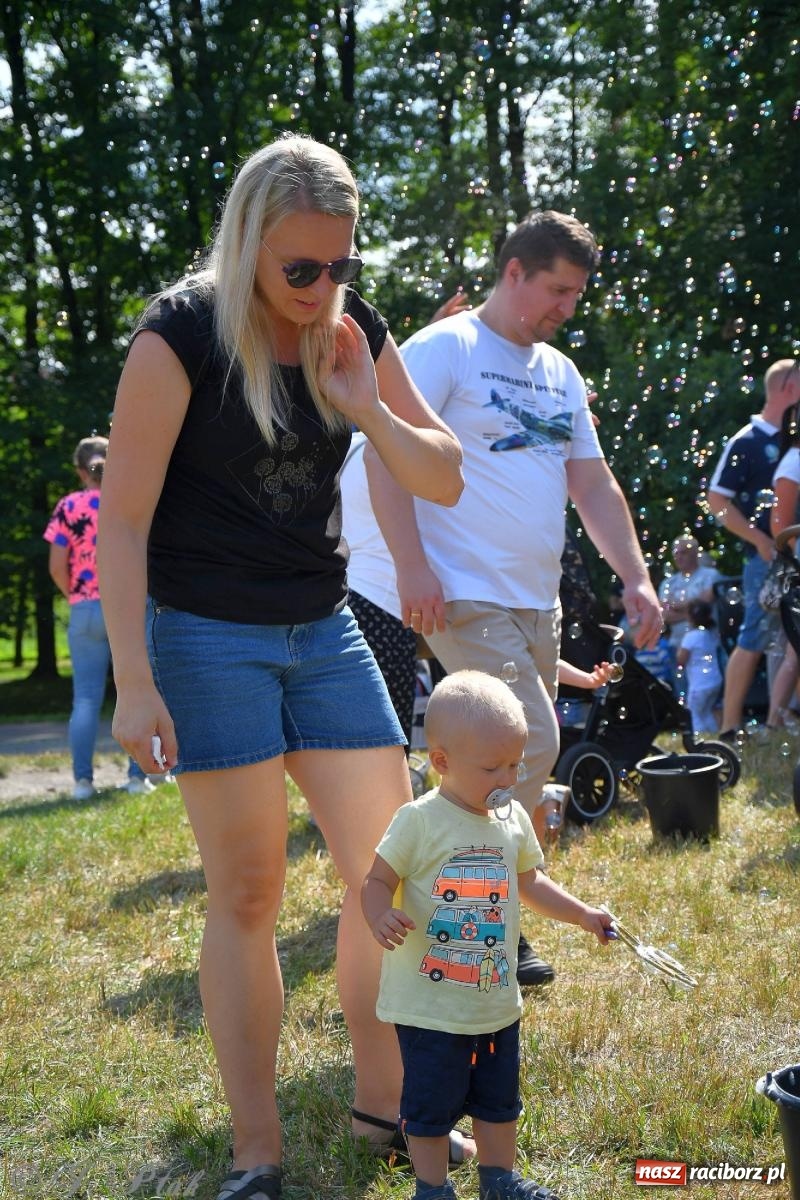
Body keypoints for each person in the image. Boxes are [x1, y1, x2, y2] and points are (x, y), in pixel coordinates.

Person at [96, 134, 470, 1200]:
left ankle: (382, 1102)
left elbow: (439, 476)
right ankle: (254, 1151)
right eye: (298, 269)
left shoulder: (350, 335)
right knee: (250, 893)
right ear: (248, 246)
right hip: (205, 635)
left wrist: (366, 406)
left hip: (325, 628)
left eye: (340, 266)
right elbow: (121, 524)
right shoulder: (176, 338)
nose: (322, 289)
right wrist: (134, 677)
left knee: (389, 874)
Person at [364, 210, 662, 986]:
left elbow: (591, 484)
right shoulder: (446, 347)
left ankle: (483, 914)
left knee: (499, 759)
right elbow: (385, 454)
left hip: (535, 600)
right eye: (558, 290)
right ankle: (474, 909)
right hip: (461, 590)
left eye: (577, 294)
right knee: (530, 741)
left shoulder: (561, 374)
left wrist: (634, 575)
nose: (568, 308)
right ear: (515, 272)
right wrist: (411, 565)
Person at [362, 670, 615, 1200]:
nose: (507, 776)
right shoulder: (419, 821)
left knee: (500, 1101)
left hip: (495, 999)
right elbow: (377, 880)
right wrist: (379, 913)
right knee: (429, 1105)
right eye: (492, 766)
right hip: (430, 1004)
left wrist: (584, 914)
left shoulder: (512, 817)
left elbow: (530, 883)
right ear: (442, 762)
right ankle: (431, 1187)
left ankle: (499, 1179)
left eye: (515, 764)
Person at [43, 436, 153, 800]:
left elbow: (57, 566)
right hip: (131, 608)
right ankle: (139, 777)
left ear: (79, 470)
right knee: (137, 690)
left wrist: (77, 597)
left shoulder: (68, 506)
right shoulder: (131, 500)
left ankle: (82, 783)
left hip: (85, 609)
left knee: (86, 700)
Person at [707, 358, 800, 737]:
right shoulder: (747, 440)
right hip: (767, 560)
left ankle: (779, 721)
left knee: (791, 640)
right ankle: (730, 727)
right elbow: (716, 499)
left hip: (790, 556)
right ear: (789, 389)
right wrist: (760, 539)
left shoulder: (788, 439)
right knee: (754, 638)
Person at [765, 391, 800, 729]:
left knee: (795, 651)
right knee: (794, 651)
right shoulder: (794, 462)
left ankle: (776, 721)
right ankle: (774, 721)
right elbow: (781, 526)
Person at [657, 535, 720, 692]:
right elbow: (663, 616)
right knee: (684, 693)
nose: (679, 557)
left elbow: (707, 600)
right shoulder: (668, 583)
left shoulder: (710, 575)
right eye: (676, 553)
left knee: (713, 695)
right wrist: (693, 613)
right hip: (677, 645)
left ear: (695, 553)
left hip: (709, 644)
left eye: (683, 552)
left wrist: (676, 606)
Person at [676, 600, 723, 734]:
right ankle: (714, 735)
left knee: (694, 713)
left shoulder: (691, 636)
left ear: (691, 617)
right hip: (714, 680)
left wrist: (678, 649)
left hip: (699, 684)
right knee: (706, 711)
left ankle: (699, 738)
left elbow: (681, 660)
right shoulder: (711, 634)